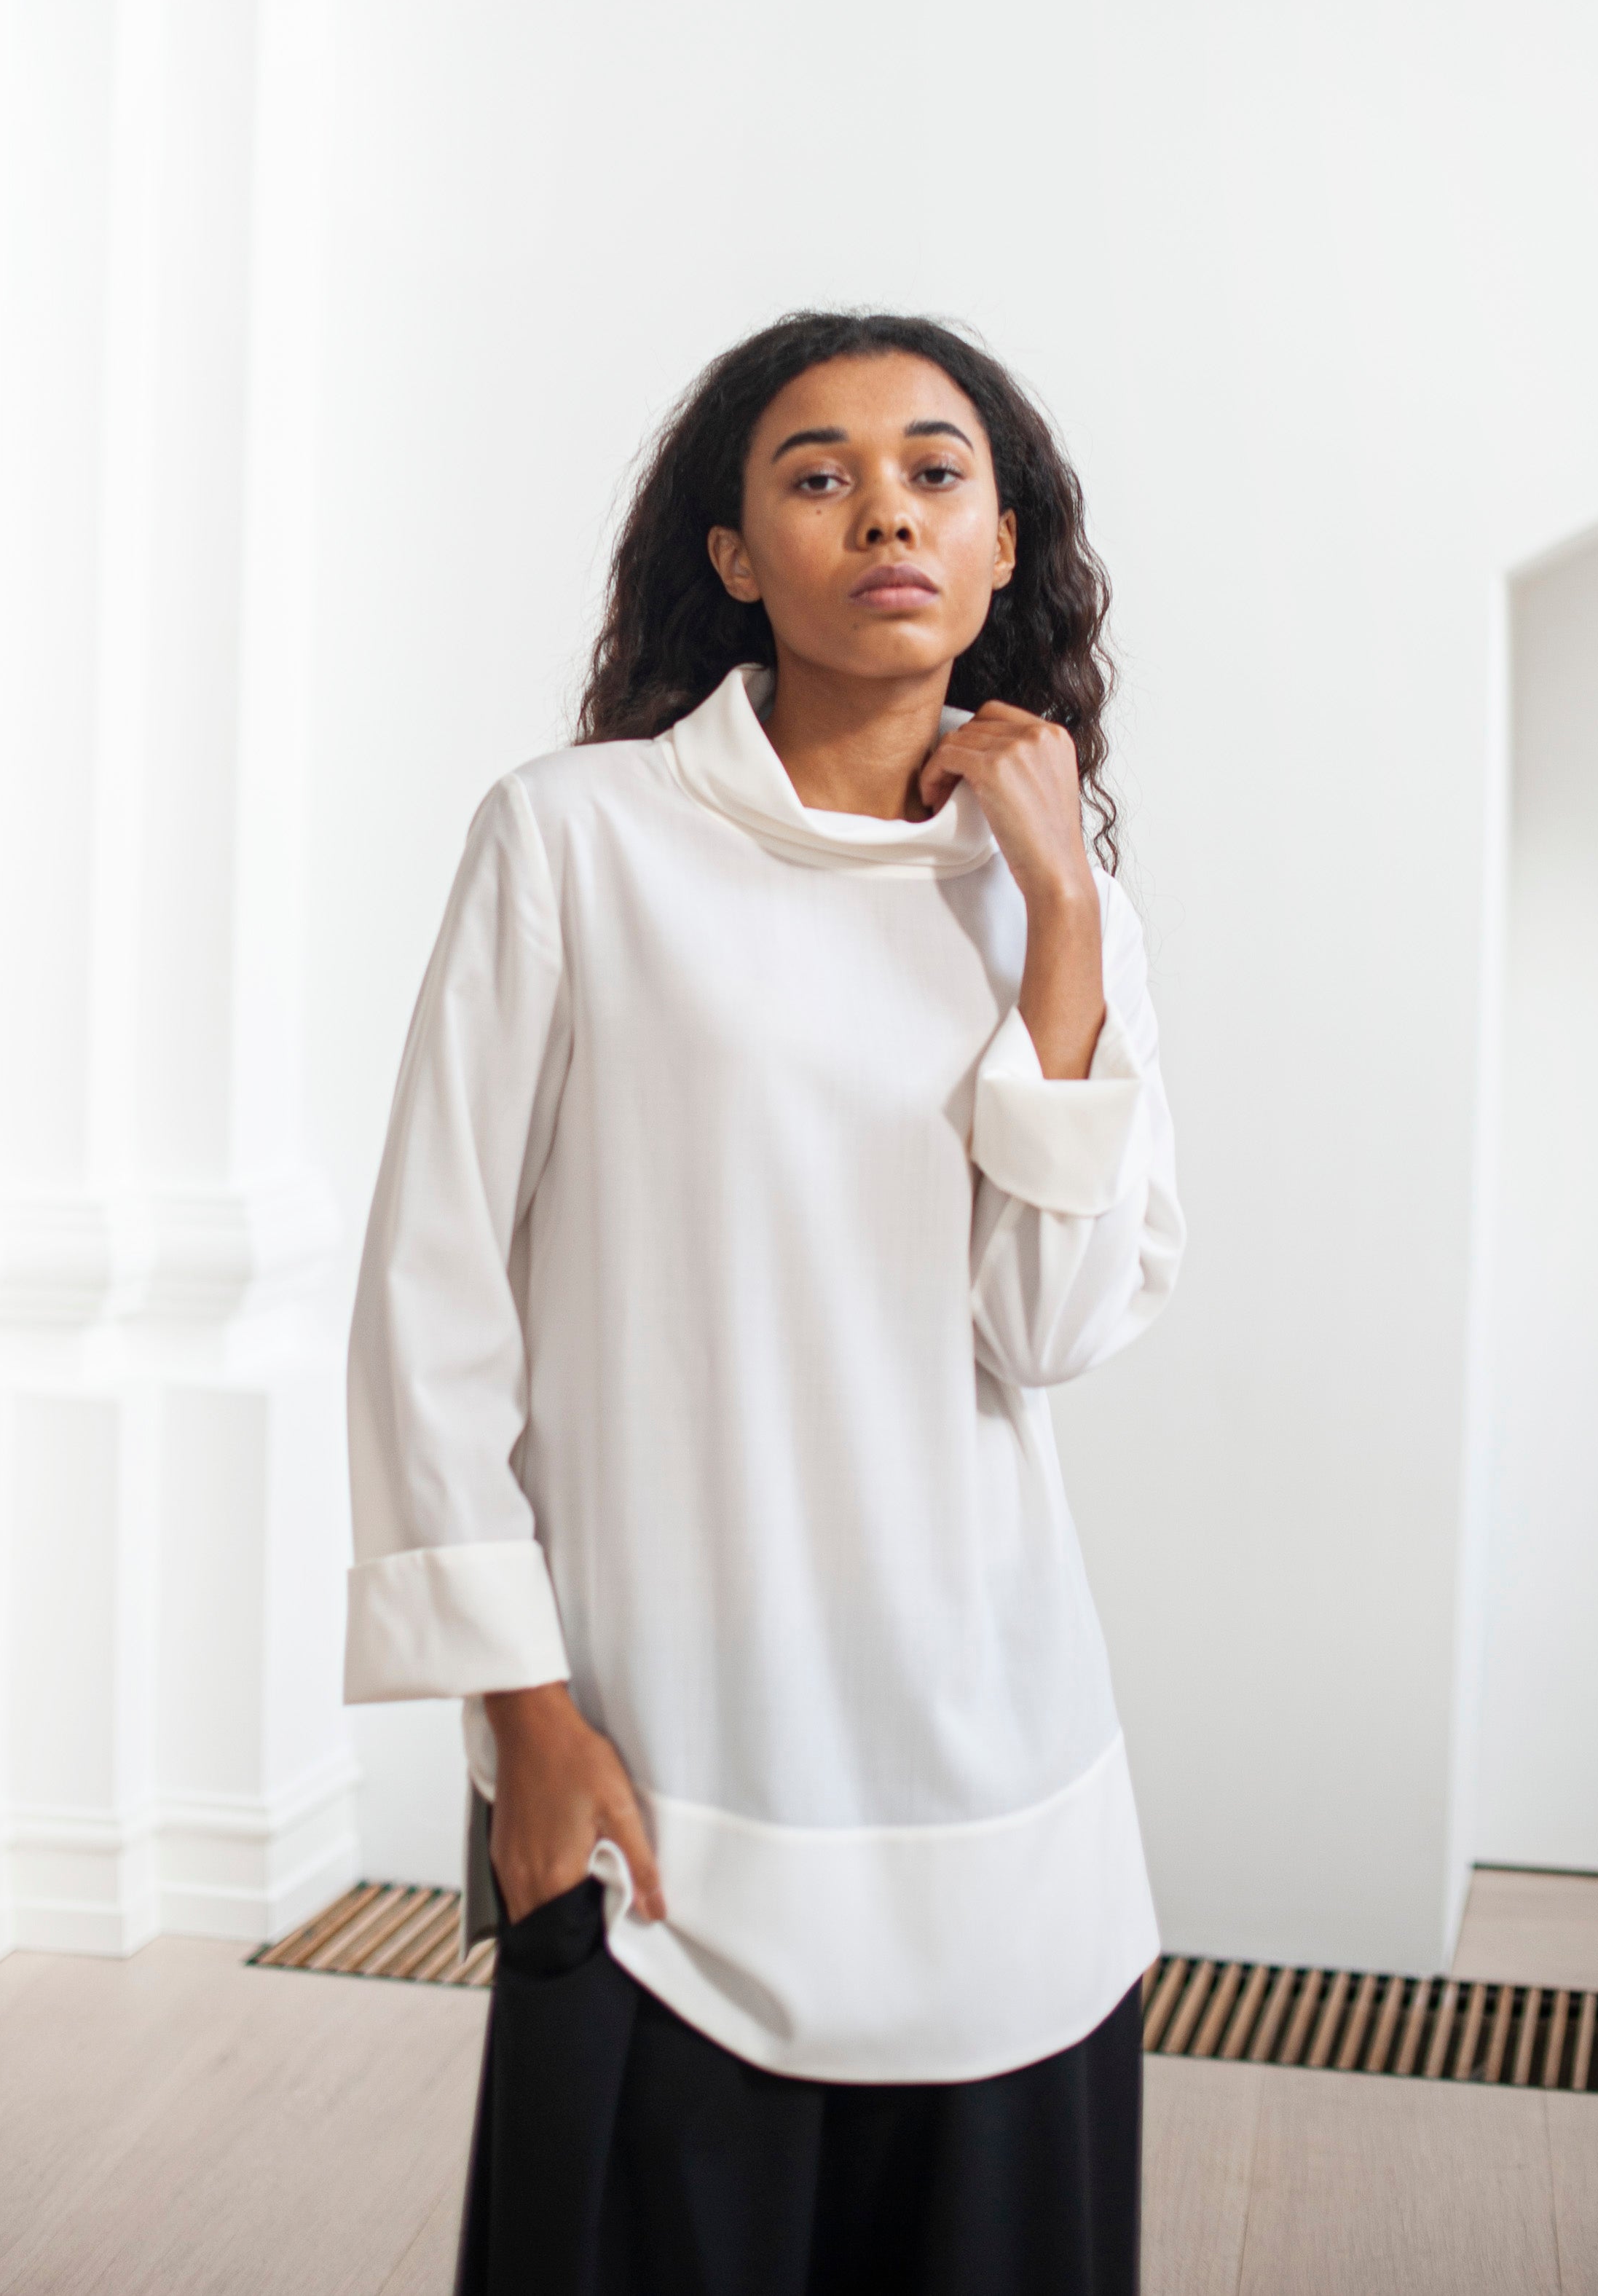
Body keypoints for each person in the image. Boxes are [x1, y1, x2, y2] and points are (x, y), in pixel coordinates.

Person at [344, 310, 1184, 2296]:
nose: (880, 505)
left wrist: (1058, 918)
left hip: (999, 1780)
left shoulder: (1063, 906)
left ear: (999, 546)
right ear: (731, 555)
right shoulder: (576, 840)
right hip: (662, 1777)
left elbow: (1048, 1327)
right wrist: (520, 1717)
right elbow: (431, 1297)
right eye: (814, 473)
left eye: (932, 468)